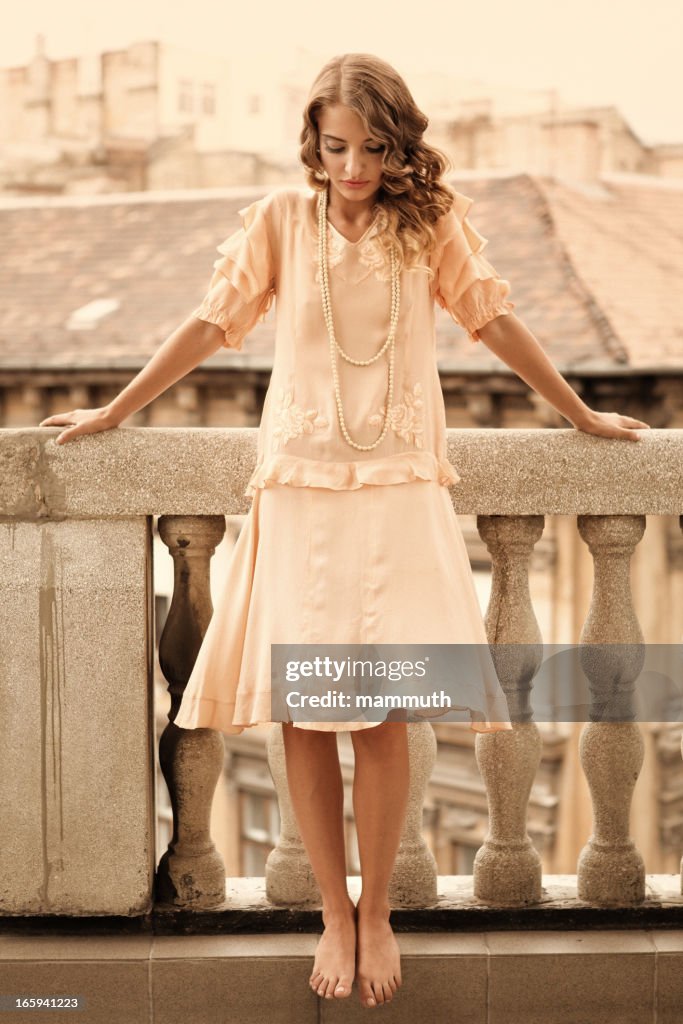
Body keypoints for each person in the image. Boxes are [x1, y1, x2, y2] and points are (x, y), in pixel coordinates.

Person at [38, 52, 651, 1010]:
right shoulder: (281, 222)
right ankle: (333, 908)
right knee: (308, 709)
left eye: (371, 147)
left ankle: (379, 914)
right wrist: (114, 414)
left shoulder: (429, 225)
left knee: (384, 711)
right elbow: (211, 324)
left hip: (399, 491)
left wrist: (580, 415)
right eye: (336, 147)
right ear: (312, 147)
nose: (354, 166)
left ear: (396, 144)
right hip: (303, 492)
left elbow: (494, 322)